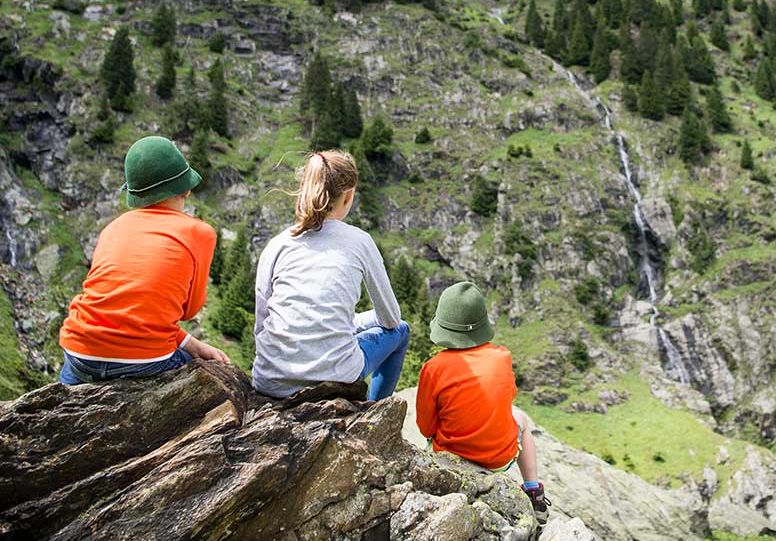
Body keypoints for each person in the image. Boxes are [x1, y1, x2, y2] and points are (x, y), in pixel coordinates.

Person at [58, 135, 230, 384]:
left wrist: (188, 342)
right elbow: (188, 310)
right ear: (187, 188)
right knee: (209, 375)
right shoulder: (199, 233)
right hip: (144, 361)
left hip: (79, 351)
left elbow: (116, 307)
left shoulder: (113, 228)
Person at [252, 150, 409, 401]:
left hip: (270, 381)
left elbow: (262, 324)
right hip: (336, 375)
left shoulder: (277, 244)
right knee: (402, 331)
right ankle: (374, 412)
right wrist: (361, 322)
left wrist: (352, 322)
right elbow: (390, 319)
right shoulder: (360, 241)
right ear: (349, 195)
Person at [416, 281, 550, 535]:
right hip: (498, 458)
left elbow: (425, 427)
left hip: (451, 456)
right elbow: (506, 399)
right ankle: (533, 489)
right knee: (521, 418)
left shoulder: (433, 368)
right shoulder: (502, 357)